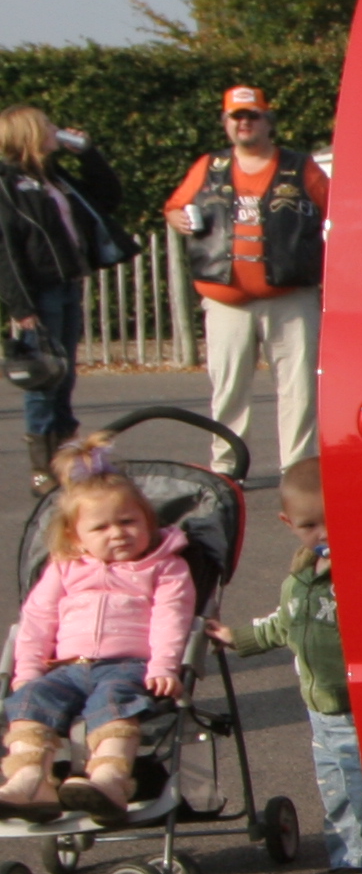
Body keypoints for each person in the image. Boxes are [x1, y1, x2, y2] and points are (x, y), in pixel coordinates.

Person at [206, 454, 362, 874]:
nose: (323, 535)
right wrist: (239, 637)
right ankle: (346, 858)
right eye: (309, 526)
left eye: (333, 521)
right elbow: (284, 625)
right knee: (335, 788)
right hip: (320, 708)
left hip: (355, 705)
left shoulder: (360, 573)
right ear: (288, 523)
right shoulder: (301, 577)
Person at [0, 442, 193, 823]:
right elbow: (37, 621)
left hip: (128, 666)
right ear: (76, 537)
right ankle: (29, 778)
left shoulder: (165, 568)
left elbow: (171, 619)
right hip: (65, 667)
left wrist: (164, 667)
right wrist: (28, 672)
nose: (117, 533)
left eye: (128, 521)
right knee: (30, 703)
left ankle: (110, 781)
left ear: (148, 521)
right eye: (101, 527)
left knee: (114, 704)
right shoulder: (64, 567)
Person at [164, 86, 328, 480]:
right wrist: (176, 218)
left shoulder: (300, 166)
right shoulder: (208, 166)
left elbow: (334, 210)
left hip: (291, 297)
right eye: (236, 117)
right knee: (229, 389)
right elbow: (173, 206)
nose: (244, 123)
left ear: (268, 122)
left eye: (251, 116)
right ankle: (227, 468)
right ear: (226, 124)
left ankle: (298, 470)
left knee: (299, 388)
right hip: (224, 301)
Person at [0, 107, 128, 496]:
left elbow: (109, 196)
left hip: (68, 284)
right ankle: (43, 468)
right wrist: (21, 307)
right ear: (29, 134)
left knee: (65, 375)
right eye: (48, 126)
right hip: (40, 292)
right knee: (45, 379)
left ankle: (66, 458)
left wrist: (88, 154)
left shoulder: (53, 177)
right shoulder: (8, 183)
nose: (56, 131)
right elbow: (6, 249)